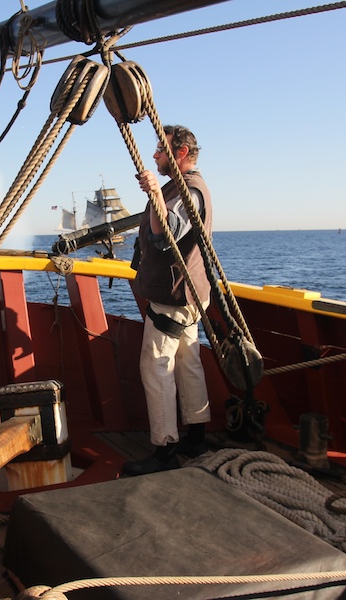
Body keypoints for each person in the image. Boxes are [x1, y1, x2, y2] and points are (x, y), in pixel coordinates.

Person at [123, 125, 213, 477]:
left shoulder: (189, 189)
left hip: (173, 298)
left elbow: (166, 235)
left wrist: (154, 193)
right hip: (188, 294)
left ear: (181, 153)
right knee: (188, 360)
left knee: (156, 366)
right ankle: (197, 436)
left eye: (161, 150)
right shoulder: (187, 186)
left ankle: (164, 450)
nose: (155, 155)